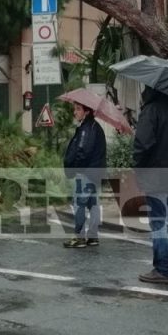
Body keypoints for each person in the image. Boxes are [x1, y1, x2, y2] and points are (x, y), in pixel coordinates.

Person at [133, 86, 168, 285]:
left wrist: (138, 168)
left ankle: (163, 270)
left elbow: (143, 144)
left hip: (156, 176)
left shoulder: (151, 111)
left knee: (158, 223)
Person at [62, 103, 106, 248]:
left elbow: (82, 151)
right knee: (93, 204)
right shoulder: (95, 127)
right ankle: (93, 237)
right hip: (96, 172)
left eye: (78, 109)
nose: (75, 112)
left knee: (79, 203)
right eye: (75, 109)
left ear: (87, 112)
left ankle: (79, 238)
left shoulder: (87, 129)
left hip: (86, 172)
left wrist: (75, 169)